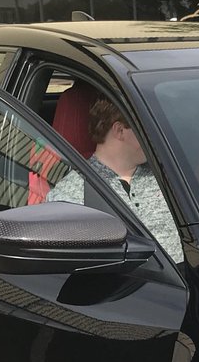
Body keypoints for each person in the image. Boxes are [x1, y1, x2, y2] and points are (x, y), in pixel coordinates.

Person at [47, 97, 183, 261]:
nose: (155, 138)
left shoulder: (171, 176)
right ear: (119, 130)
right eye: (147, 130)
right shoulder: (70, 196)